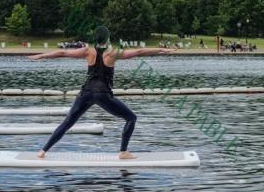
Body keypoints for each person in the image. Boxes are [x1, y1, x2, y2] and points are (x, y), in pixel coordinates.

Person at [28, 26, 175, 159]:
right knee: (131, 118)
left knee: (67, 123)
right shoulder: (112, 54)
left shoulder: (87, 51)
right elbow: (139, 51)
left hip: (85, 93)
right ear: (108, 39)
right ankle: (123, 152)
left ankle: (42, 151)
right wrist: (162, 50)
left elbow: (62, 52)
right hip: (102, 94)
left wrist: (41, 56)